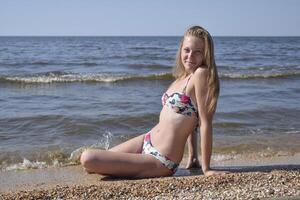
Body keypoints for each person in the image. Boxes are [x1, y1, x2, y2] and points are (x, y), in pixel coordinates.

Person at [80, 25, 228, 178]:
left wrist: (207, 168)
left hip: (161, 159)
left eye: (198, 52)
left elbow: (204, 122)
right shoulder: (182, 77)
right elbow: (190, 120)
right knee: (89, 165)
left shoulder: (201, 74)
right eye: (187, 50)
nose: (190, 56)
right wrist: (193, 157)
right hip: (146, 139)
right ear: (181, 50)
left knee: (88, 158)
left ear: (206, 55)